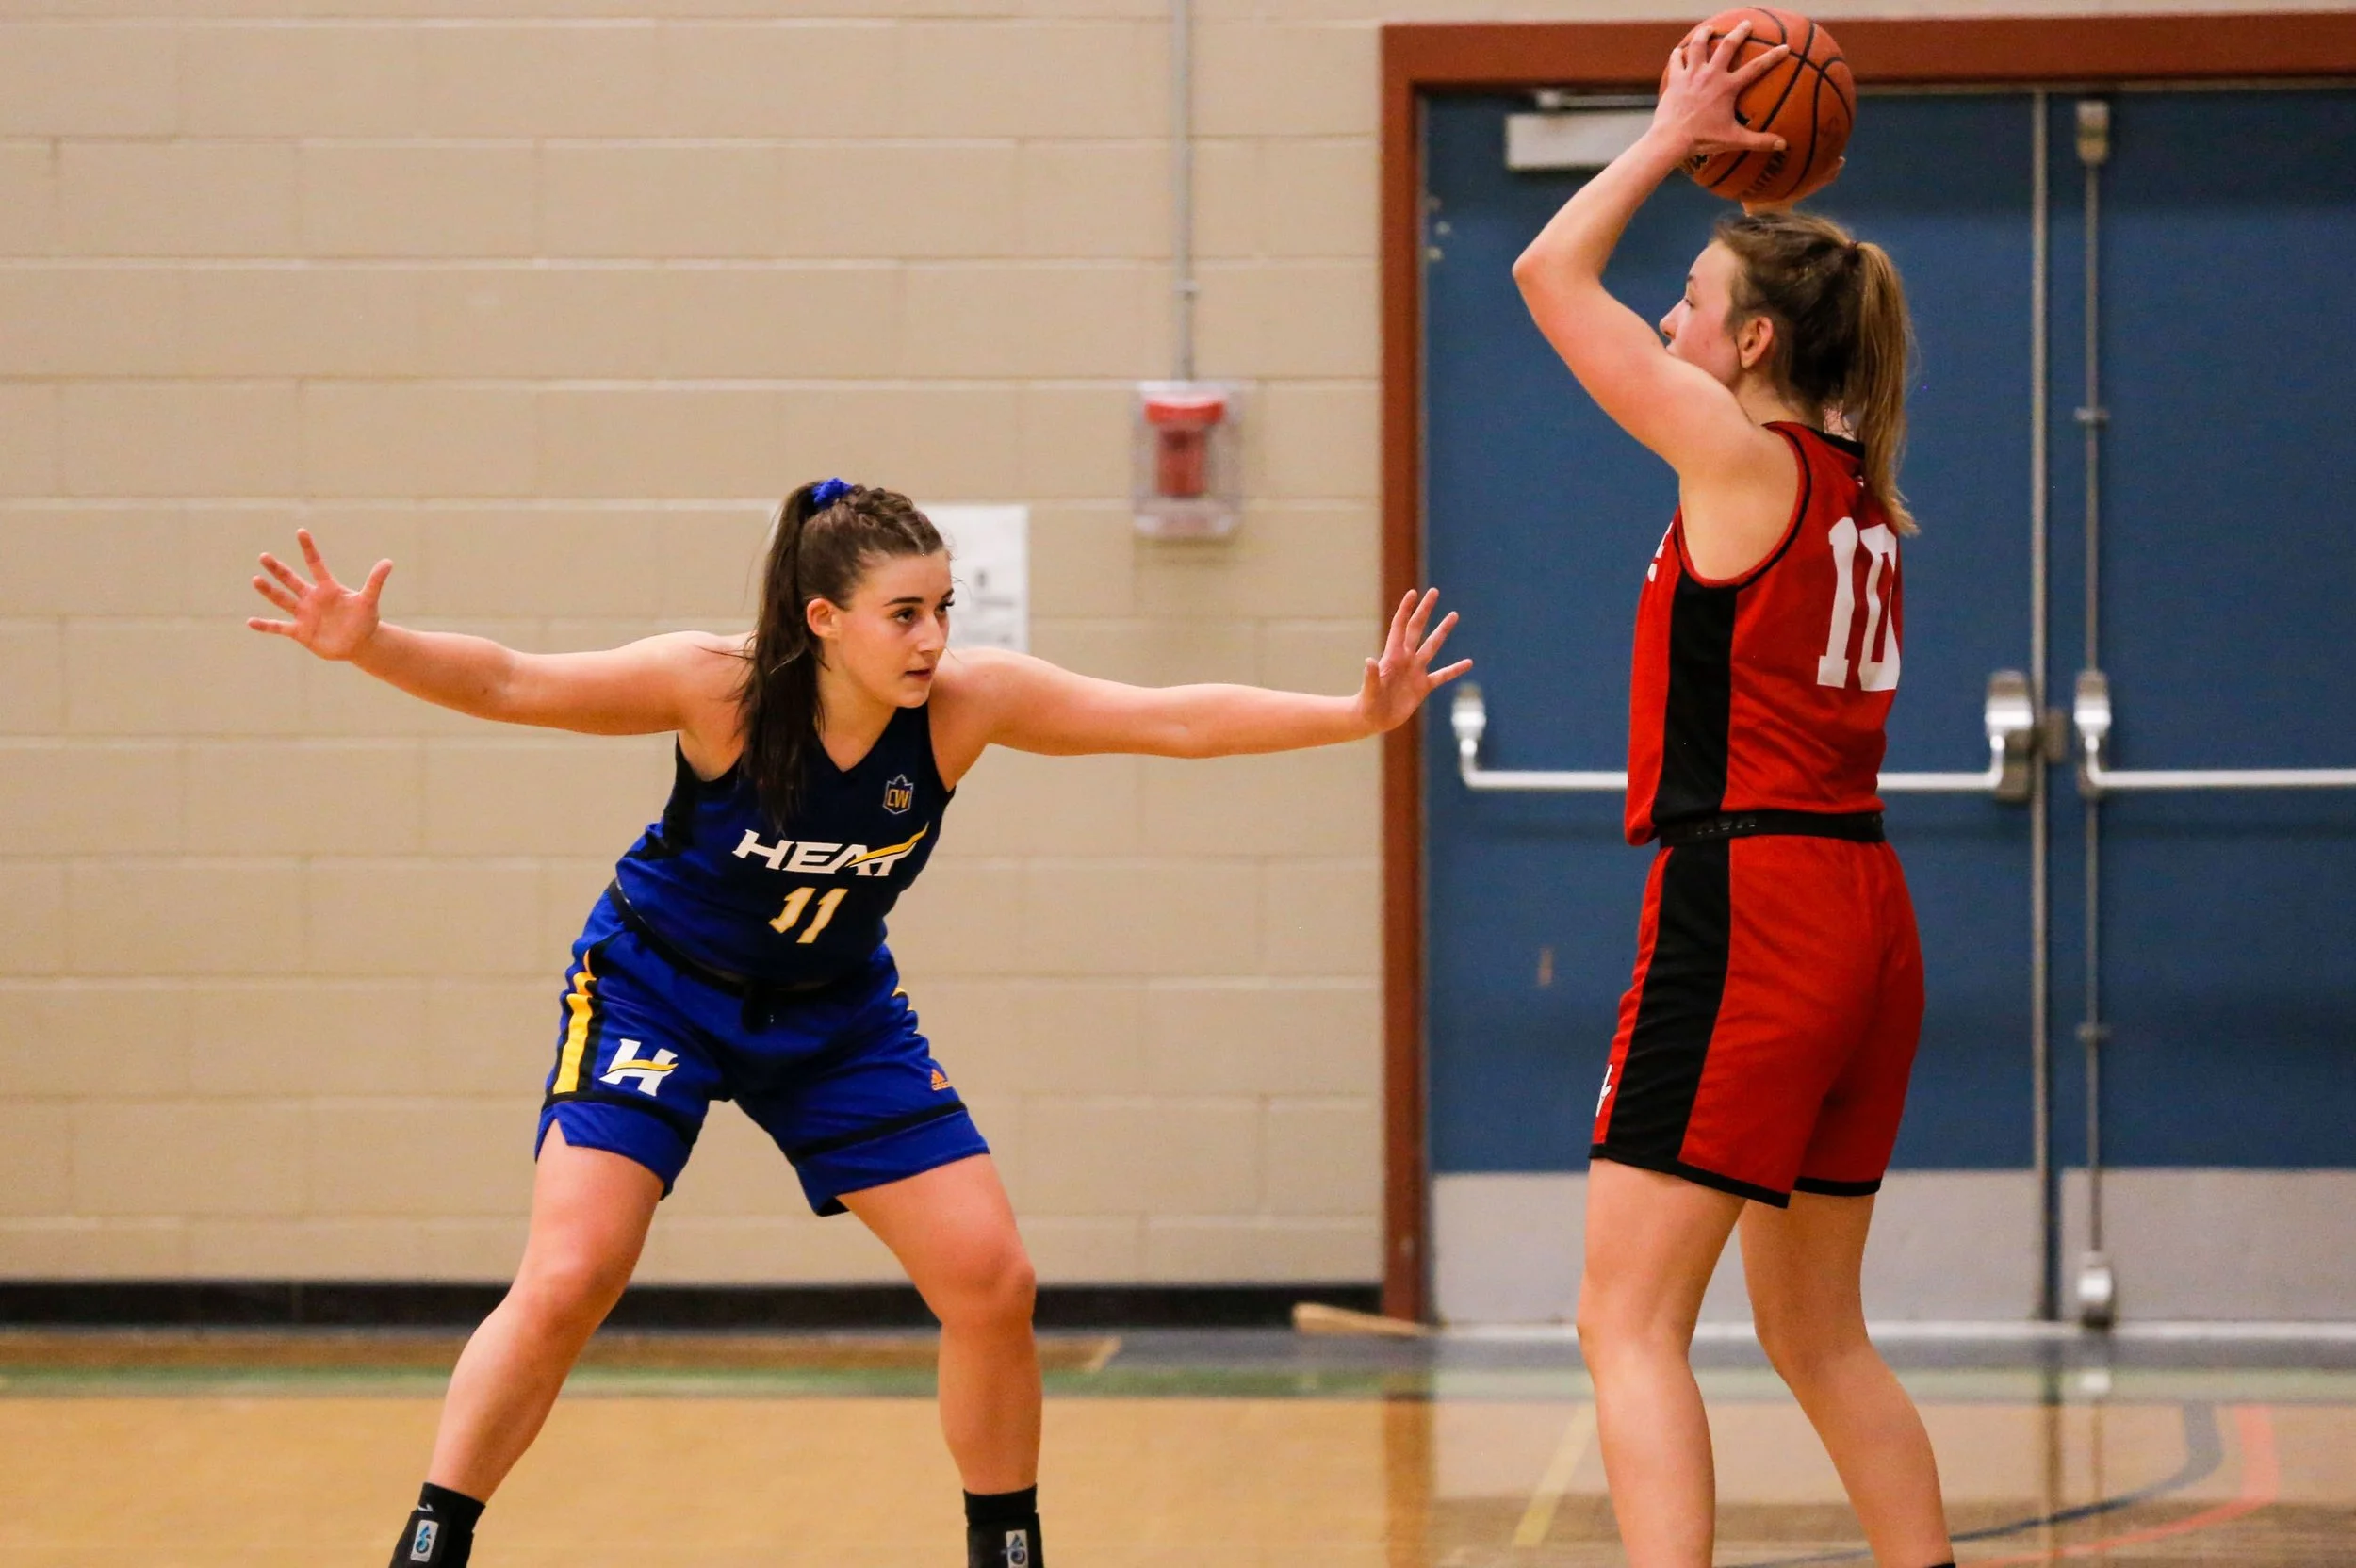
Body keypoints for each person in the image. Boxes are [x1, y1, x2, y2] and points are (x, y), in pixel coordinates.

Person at [245, 480, 1469, 1568]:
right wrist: (372, 646)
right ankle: (433, 1537)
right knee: (573, 1273)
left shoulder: (963, 707)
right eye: (905, 613)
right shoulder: (719, 690)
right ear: (823, 620)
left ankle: (1007, 1547)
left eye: (944, 607)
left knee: (993, 1279)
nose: (935, 637)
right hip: (656, 990)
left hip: (833, 1014)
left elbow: (1170, 718)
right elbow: (515, 681)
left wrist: (1350, 715)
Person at [1510, 22, 1952, 1568]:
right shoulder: (1860, 495)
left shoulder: (1742, 459)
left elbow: (1545, 279)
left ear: (1754, 344)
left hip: (1754, 903)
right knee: (1820, 1336)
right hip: (1865, 915)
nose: (1665, 317)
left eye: (1691, 302)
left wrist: (1664, 130)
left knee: (1621, 1322)